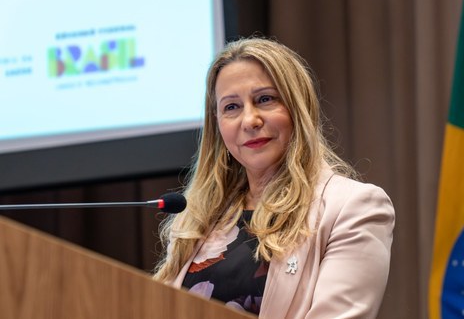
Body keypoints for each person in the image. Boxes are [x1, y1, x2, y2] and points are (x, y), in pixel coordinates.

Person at [153, 37, 395, 318]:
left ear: (297, 107)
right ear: (217, 124)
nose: (249, 120)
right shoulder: (195, 219)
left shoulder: (353, 206)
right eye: (231, 107)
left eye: (265, 99)